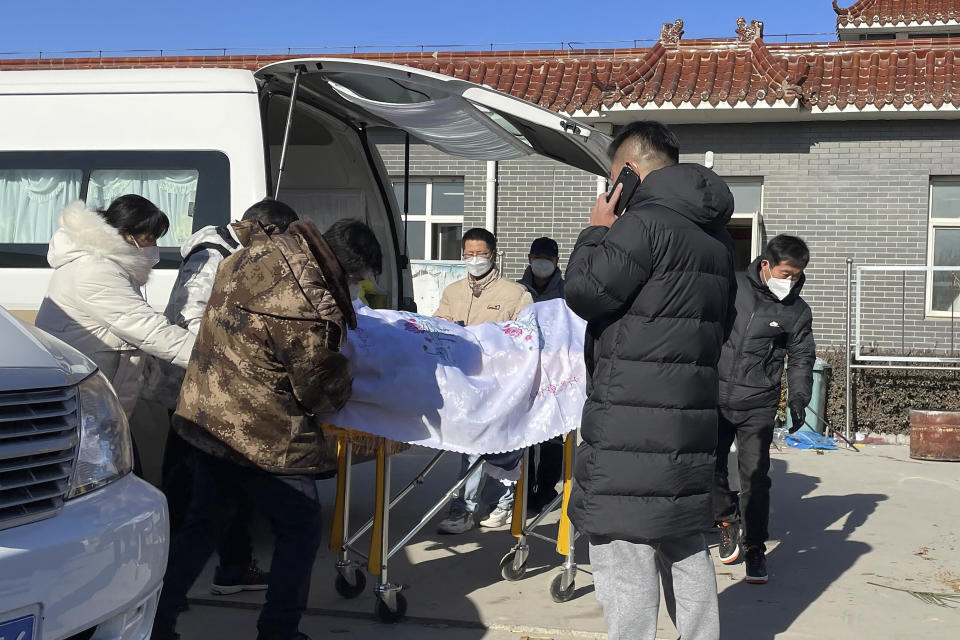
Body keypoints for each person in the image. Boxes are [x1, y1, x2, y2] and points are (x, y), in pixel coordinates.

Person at [152, 218, 382, 640]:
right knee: (299, 527)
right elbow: (317, 390)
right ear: (349, 270)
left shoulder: (251, 255)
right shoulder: (307, 305)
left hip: (208, 413)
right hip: (264, 434)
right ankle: (279, 629)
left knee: (202, 524)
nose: (357, 286)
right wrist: (347, 377)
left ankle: (156, 622)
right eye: (359, 278)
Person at [564, 121, 736, 640]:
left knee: (622, 545)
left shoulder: (642, 224)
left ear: (631, 172)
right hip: (688, 419)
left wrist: (597, 230)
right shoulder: (716, 238)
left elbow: (586, 293)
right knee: (684, 540)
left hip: (630, 419)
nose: (609, 188)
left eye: (612, 176)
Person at [156, 199, 300, 598]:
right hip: (194, 388)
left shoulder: (232, 255)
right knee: (190, 489)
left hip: (215, 390)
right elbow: (188, 320)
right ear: (263, 230)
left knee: (219, 488)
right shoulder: (210, 257)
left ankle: (233, 567)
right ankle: (165, 582)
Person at [713, 235, 815, 584]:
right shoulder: (734, 287)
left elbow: (802, 357)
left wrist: (800, 397)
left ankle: (755, 548)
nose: (791, 281)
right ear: (767, 265)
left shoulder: (797, 311)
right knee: (708, 467)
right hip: (714, 395)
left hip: (758, 401)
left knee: (755, 477)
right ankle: (726, 522)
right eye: (786, 273)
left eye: (798, 275)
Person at [35, 194, 194, 418]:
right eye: (149, 239)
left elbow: (120, 326)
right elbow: (146, 327)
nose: (154, 247)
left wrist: (145, 358)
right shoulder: (95, 269)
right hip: (84, 399)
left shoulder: (109, 265)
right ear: (126, 235)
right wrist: (212, 356)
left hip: (93, 391)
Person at [434, 227, 534, 534]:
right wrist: (443, 325)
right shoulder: (453, 291)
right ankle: (470, 507)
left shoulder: (515, 294)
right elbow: (436, 323)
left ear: (493, 254)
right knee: (471, 447)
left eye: (481, 254)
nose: (474, 260)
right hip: (463, 382)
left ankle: (493, 505)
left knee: (499, 449)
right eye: (469, 254)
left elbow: (528, 339)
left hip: (499, 385)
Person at [518, 236, 565, 513]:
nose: (542, 263)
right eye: (538, 257)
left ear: (556, 261)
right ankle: (524, 487)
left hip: (555, 370)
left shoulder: (567, 291)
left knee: (551, 436)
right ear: (529, 258)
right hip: (524, 369)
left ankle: (546, 489)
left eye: (548, 259)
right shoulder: (518, 290)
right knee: (525, 434)